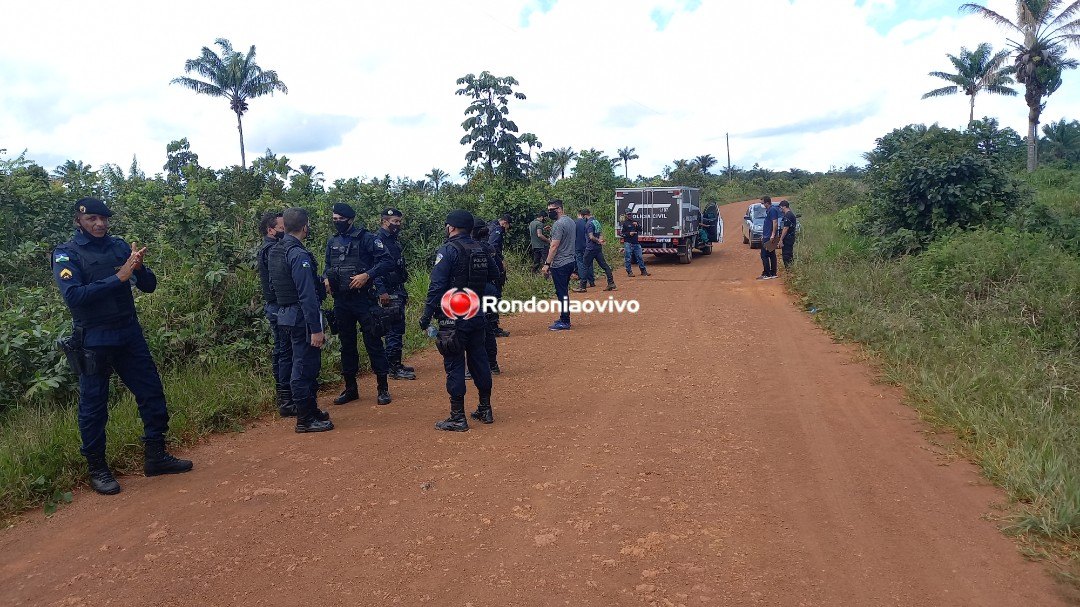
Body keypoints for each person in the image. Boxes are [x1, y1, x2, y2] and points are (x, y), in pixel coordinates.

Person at [52, 197, 193, 495]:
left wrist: (138, 269)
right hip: (94, 338)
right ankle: (97, 469)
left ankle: (156, 456)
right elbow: (74, 296)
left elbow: (149, 286)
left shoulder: (119, 247)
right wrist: (119, 277)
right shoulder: (67, 253)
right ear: (79, 221)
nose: (99, 224)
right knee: (94, 406)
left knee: (151, 392)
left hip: (128, 333)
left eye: (103, 219)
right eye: (92, 219)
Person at [419, 210, 500, 431]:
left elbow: (436, 286)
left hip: (453, 316)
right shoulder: (481, 248)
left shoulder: (448, 250)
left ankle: (457, 417)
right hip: (476, 312)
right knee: (479, 360)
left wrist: (426, 315)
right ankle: (485, 409)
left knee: (454, 363)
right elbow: (495, 274)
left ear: (451, 227)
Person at [270, 207, 334, 433]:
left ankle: (311, 409)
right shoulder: (298, 254)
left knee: (306, 364)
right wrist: (316, 329)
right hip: (301, 317)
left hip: (286, 314)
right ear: (305, 227)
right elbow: (307, 295)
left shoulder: (276, 250)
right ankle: (304, 419)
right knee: (303, 366)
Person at [324, 203, 395, 406]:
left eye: (341, 219)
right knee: (347, 345)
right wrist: (326, 278)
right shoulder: (332, 241)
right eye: (334, 219)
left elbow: (387, 262)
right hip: (341, 301)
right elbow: (328, 265)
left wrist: (367, 275)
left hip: (364, 299)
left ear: (351, 219)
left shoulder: (367, 238)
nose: (337, 222)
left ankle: (382, 388)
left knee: (373, 342)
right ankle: (350, 389)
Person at [257, 211, 295, 416]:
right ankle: (286, 399)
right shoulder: (272, 250)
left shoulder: (270, 248)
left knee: (282, 350)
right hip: (279, 307)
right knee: (285, 351)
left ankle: (284, 396)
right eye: (282, 228)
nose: (285, 230)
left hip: (276, 307)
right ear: (270, 230)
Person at [375, 208, 416, 381]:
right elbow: (374, 268)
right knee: (393, 328)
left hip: (397, 288)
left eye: (399, 221)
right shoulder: (378, 241)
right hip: (388, 290)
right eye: (394, 221)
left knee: (397, 327)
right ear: (385, 221)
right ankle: (393, 367)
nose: (398, 225)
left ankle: (395, 363)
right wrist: (381, 290)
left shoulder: (393, 240)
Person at [471, 217, 501, 375]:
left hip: (473, 293)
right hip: (489, 289)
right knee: (488, 327)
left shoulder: (467, 248)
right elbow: (496, 272)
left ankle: (475, 367)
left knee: (472, 329)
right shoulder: (488, 247)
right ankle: (492, 364)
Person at [542, 200, 576, 331]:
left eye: (552, 210)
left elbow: (554, 246)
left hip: (560, 263)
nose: (549, 212)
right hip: (570, 261)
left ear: (559, 209)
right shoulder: (570, 221)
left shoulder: (558, 224)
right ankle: (564, 317)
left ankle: (565, 321)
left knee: (561, 292)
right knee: (564, 291)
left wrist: (547, 264)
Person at [486, 214, 511, 338]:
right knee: (495, 295)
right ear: (505, 223)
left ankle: (489, 326)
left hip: (485, 269)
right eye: (508, 226)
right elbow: (493, 246)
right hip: (494, 267)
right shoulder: (498, 229)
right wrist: (500, 260)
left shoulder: (489, 226)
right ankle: (494, 327)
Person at [579, 209, 616, 292]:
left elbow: (591, 237)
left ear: (585, 215)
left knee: (585, 265)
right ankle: (611, 282)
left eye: (582, 216)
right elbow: (601, 233)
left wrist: (598, 241)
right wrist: (600, 240)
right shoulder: (596, 222)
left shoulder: (589, 223)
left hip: (590, 248)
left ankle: (582, 286)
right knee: (604, 265)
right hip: (598, 248)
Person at [757, 196, 780, 280]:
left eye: (762, 203)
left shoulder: (772, 210)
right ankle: (773, 273)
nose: (762, 205)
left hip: (769, 237)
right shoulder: (769, 210)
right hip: (767, 236)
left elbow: (775, 222)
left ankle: (767, 273)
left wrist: (773, 235)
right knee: (771, 254)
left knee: (764, 255)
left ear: (767, 203)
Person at [621, 212, 650, 277]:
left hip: (636, 242)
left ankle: (643, 271)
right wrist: (629, 234)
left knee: (640, 257)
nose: (629, 215)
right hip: (628, 243)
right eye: (628, 215)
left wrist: (637, 225)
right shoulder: (625, 223)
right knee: (628, 258)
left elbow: (641, 230)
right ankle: (629, 272)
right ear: (626, 215)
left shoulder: (635, 222)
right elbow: (622, 234)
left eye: (630, 214)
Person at [778, 200, 797, 270]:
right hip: (788, 238)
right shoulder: (788, 215)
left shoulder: (788, 215)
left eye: (781, 207)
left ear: (784, 206)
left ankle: (789, 270)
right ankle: (790, 270)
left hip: (788, 239)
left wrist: (781, 240)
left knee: (787, 255)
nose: (780, 209)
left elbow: (785, 228)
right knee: (788, 255)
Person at [574, 209, 590, 288]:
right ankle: (591, 280)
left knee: (580, 263)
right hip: (587, 245)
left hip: (578, 246)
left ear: (578, 214)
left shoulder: (575, 223)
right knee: (588, 263)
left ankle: (583, 280)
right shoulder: (587, 222)